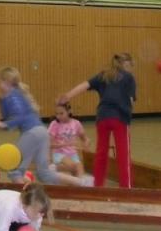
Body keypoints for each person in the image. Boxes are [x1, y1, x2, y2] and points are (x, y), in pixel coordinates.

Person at [57, 52, 136, 188]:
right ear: (126, 64)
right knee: (123, 155)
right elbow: (130, 101)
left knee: (101, 153)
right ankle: (126, 189)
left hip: (103, 117)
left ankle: (98, 186)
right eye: (130, 66)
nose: (130, 69)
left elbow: (84, 85)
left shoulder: (103, 75)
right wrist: (128, 111)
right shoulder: (128, 77)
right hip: (120, 118)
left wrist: (67, 96)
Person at [0, 67, 63, 185]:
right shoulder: (13, 95)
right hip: (41, 132)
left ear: (6, 81)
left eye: (0, 80)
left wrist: (2, 124)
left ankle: (23, 195)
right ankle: (82, 183)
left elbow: (20, 116)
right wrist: (0, 115)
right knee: (44, 173)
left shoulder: (13, 96)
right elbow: (12, 116)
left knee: (14, 169)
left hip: (32, 133)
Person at [48, 103, 93, 186]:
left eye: (61, 113)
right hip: (59, 153)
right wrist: (65, 144)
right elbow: (50, 144)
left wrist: (86, 143)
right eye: (57, 114)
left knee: (80, 171)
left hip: (73, 154)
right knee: (73, 166)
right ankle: (54, 168)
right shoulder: (54, 124)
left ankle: (81, 185)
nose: (58, 116)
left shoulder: (76, 123)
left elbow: (85, 138)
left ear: (69, 111)